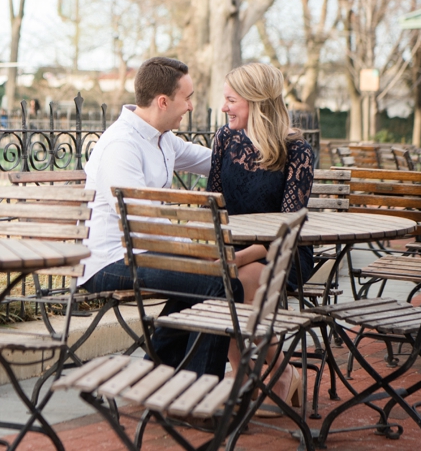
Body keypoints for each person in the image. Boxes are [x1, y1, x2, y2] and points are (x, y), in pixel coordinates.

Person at [81, 57, 232, 377]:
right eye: (187, 98)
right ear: (163, 102)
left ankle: (155, 371)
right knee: (216, 283)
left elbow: (213, 161)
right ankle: (202, 390)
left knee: (219, 281)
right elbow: (138, 219)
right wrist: (191, 247)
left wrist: (261, 152)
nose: (191, 106)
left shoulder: (162, 137)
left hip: (144, 252)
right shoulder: (122, 145)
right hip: (110, 261)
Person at [207, 62, 315, 416]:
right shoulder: (224, 139)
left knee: (236, 282)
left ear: (255, 101)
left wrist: (236, 258)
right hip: (235, 249)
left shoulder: (296, 152)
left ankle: (264, 378)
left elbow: (286, 232)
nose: (224, 107)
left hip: (283, 254)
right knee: (227, 284)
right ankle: (261, 375)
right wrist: (227, 254)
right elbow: (215, 208)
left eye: (231, 99)